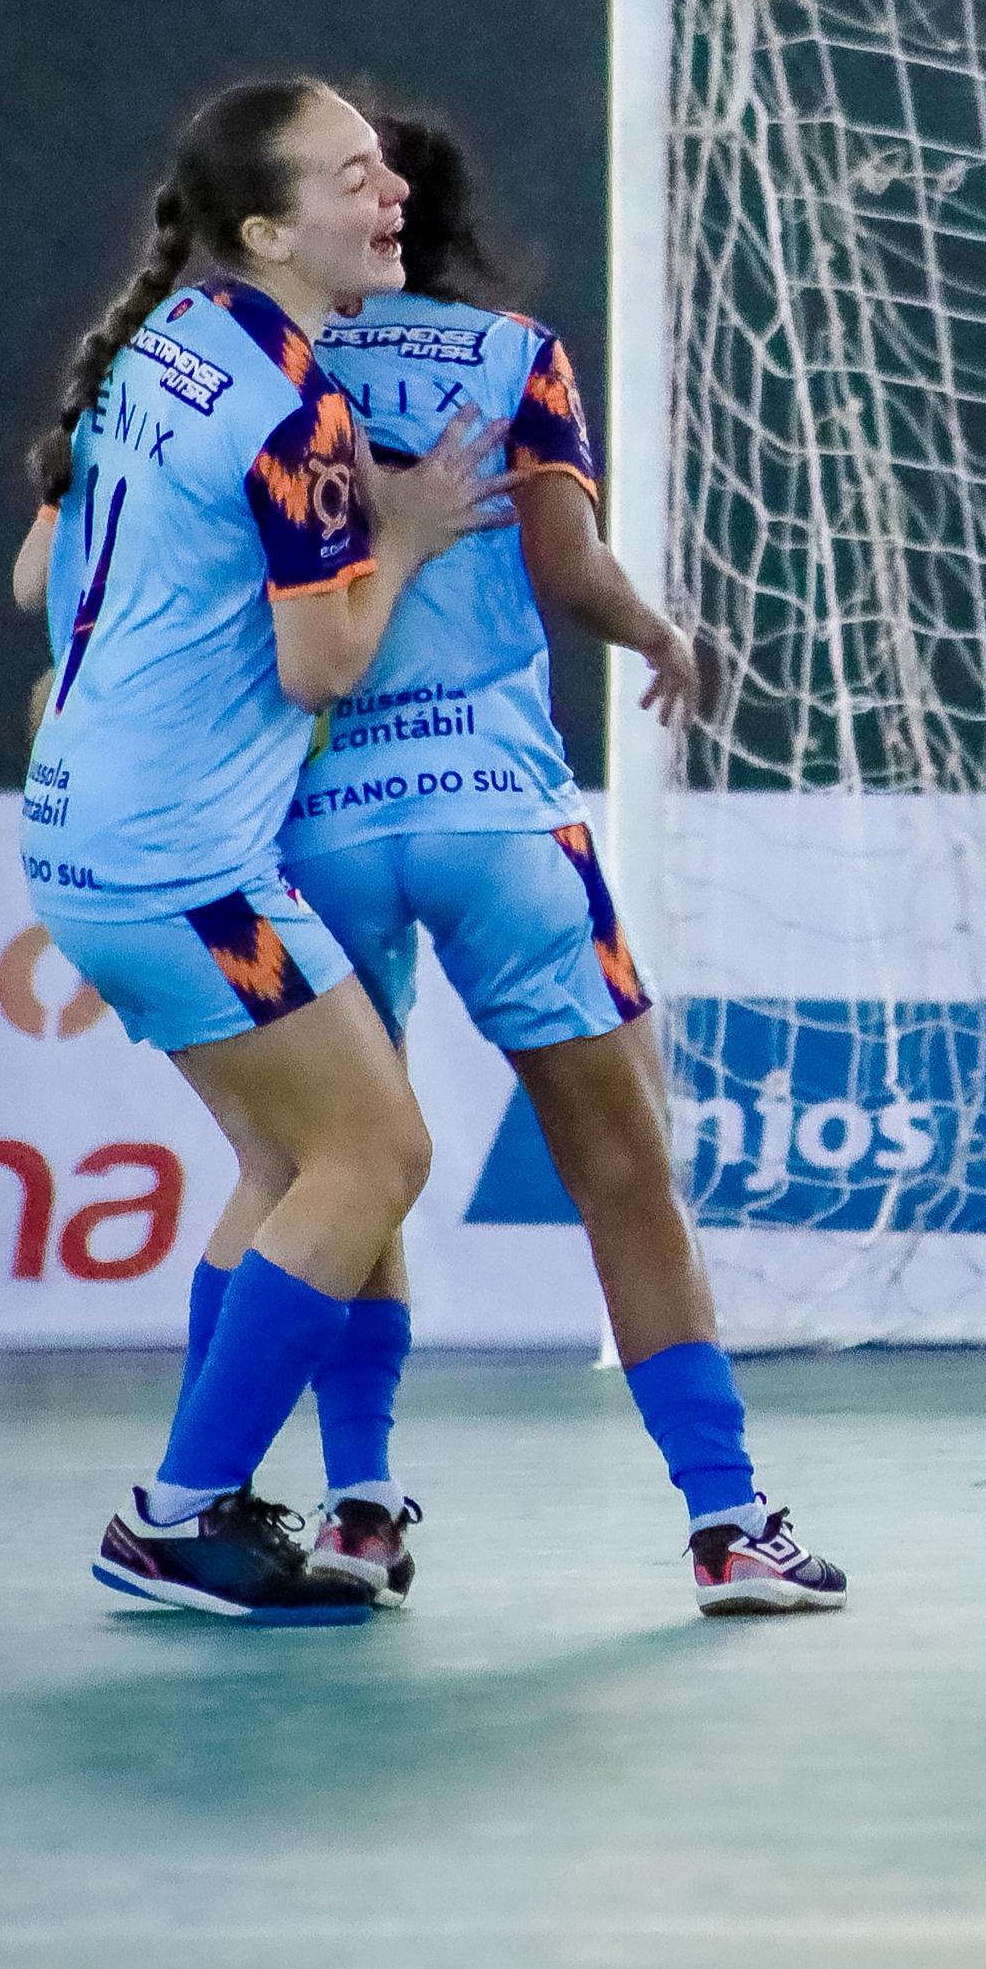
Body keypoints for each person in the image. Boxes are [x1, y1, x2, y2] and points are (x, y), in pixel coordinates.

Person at [275, 106, 844, 1615]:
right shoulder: (512, 354)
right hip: (497, 815)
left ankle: (355, 1507)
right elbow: (563, 567)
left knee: (346, 1173)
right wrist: (660, 632)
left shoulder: (264, 368)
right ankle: (727, 1522)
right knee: (624, 1171)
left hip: (320, 823)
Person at [15, 79, 507, 1622]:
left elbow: (37, 566)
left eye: (384, 166)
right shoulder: (287, 410)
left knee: (288, 1159)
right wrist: (409, 536)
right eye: (354, 177)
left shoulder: (161, 346)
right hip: (185, 868)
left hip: (80, 834)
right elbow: (322, 666)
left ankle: (203, 1497)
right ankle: (171, 1515)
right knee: (382, 1154)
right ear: (267, 229)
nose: (391, 195)